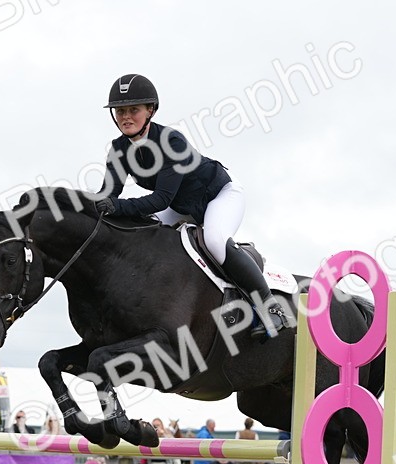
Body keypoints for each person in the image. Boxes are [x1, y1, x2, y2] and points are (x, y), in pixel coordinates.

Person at [96, 74, 288, 339]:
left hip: (219, 195)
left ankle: (271, 307)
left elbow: (160, 199)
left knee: (214, 240)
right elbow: (107, 197)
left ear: (150, 110)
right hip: (181, 203)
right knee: (145, 234)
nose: (126, 117)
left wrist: (116, 206)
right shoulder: (118, 150)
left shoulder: (171, 141)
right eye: (120, 111)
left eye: (134, 110)